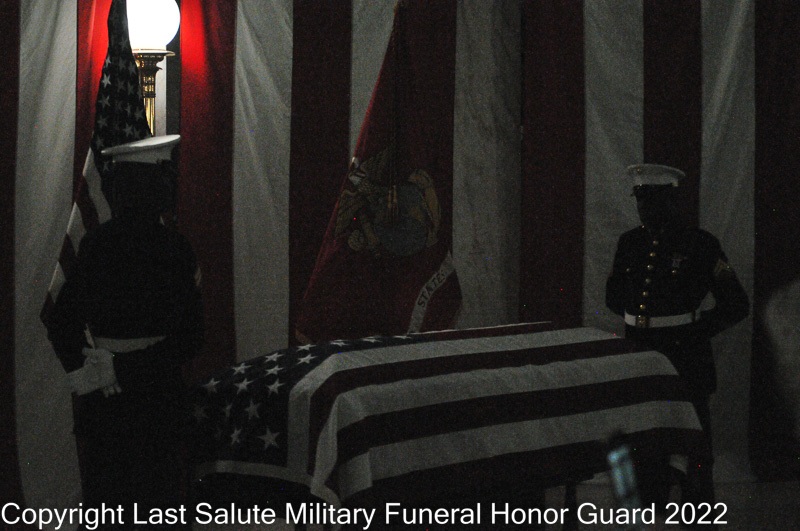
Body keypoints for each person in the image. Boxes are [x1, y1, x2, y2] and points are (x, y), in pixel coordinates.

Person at [46, 135, 204, 529]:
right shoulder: (175, 249)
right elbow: (191, 339)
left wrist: (95, 371)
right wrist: (119, 370)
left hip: (106, 405)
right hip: (157, 400)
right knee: (157, 509)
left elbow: (61, 321)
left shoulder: (95, 245)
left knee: (108, 509)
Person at [605, 163, 749, 515]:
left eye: (652, 200)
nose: (644, 208)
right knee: (644, 437)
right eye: (640, 199)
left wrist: (694, 330)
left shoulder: (700, 244)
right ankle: (649, 508)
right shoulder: (629, 243)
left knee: (693, 441)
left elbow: (736, 304)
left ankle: (697, 510)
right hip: (641, 353)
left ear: (671, 200)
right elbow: (613, 297)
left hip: (686, 355)